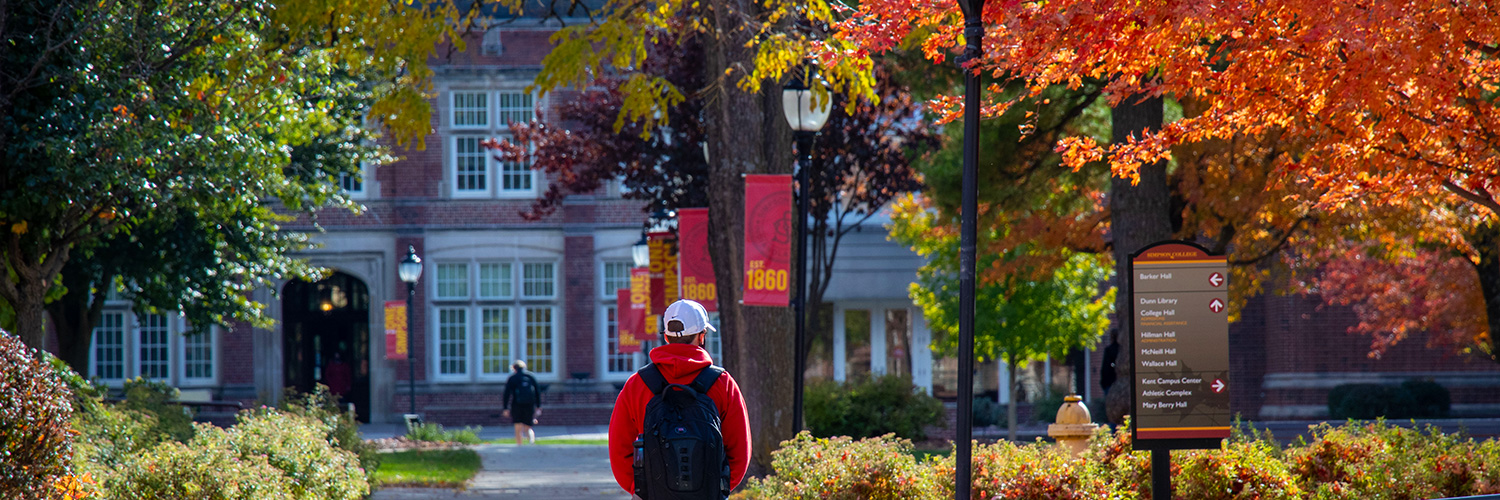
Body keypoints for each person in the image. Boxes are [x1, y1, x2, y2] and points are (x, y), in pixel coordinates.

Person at [609, 299, 750, 499]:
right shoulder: (723, 383)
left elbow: (619, 449)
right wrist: (717, 488)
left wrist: (640, 488)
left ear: (666, 336)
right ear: (702, 336)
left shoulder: (637, 384)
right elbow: (740, 451)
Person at [503, 360, 542, 445]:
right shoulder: (530, 377)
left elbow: (506, 394)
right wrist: (538, 406)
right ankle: (531, 442)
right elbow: (537, 392)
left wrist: (505, 408)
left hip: (516, 405)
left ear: (514, 368)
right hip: (529, 404)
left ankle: (519, 446)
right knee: (528, 427)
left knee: (518, 427)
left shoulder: (512, 378)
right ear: (524, 367)